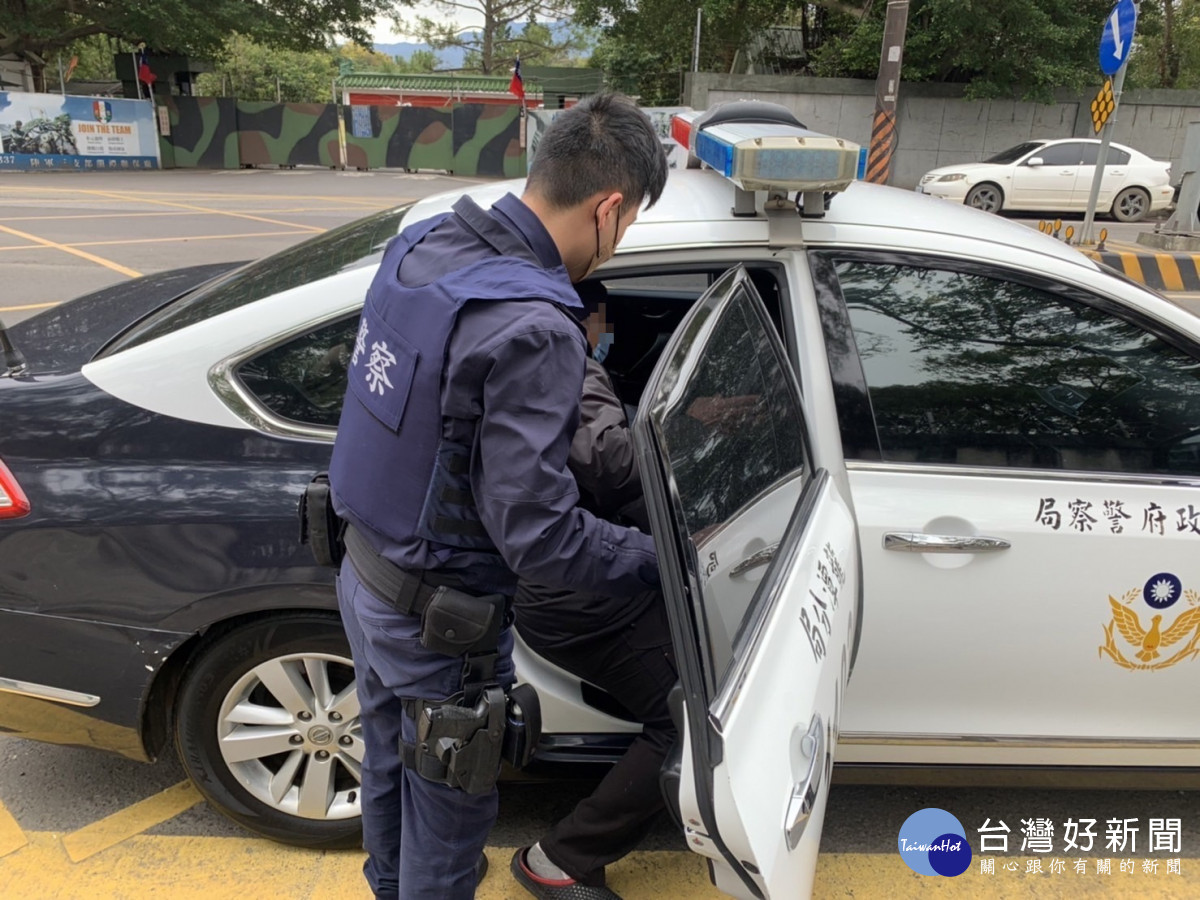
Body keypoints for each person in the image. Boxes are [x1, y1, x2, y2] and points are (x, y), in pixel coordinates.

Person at [328, 91, 669, 900]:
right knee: (447, 832)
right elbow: (542, 538)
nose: (618, 248)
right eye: (628, 227)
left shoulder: (422, 245)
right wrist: (668, 561)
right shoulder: (537, 326)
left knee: (388, 774)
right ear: (610, 208)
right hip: (442, 625)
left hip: (364, 578)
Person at [511, 284, 679, 900]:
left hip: (582, 575)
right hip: (585, 591)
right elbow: (609, 460)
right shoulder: (567, 358)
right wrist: (692, 432)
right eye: (604, 321)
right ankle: (561, 859)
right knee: (689, 723)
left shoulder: (542, 356)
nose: (607, 333)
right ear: (590, 319)